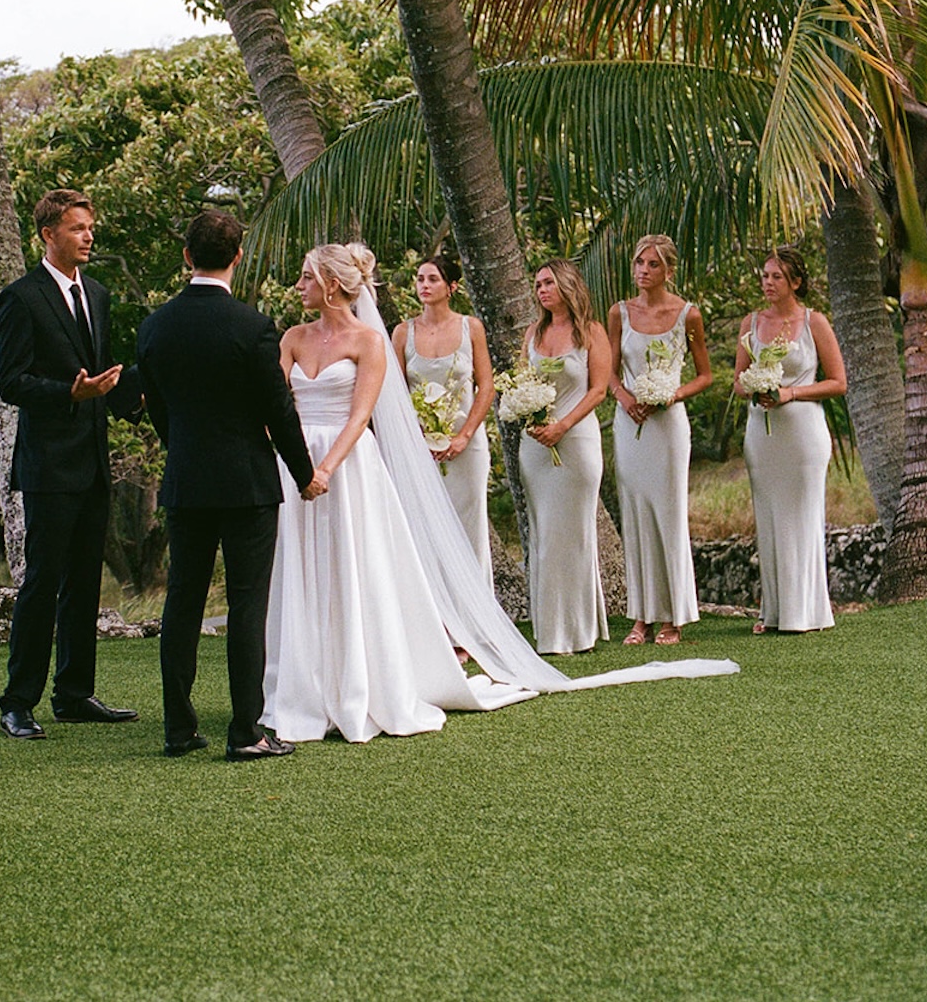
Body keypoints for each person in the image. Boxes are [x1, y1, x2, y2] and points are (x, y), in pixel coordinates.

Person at [268, 245, 742, 740]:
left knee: (371, 561)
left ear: (333, 283)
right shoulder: (299, 338)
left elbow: (368, 413)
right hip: (299, 463)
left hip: (360, 465)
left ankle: (386, 673)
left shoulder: (375, 340)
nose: (298, 286)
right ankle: (308, 681)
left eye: (306, 278)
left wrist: (327, 465)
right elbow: (276, 404)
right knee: (305, 568)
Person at [136, 209, 317, 761]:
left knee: (182, 605)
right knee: (246, 605)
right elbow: (278, 411)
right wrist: (306, 474)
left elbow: (158, 410)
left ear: (187, 257)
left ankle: (178, 728)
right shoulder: (253, 326)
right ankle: (246, 732)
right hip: (247, 484)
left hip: (187, 481)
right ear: (237, 256)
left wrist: (182, 450)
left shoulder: (155, 326)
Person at [0, 190, 142, 740]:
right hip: (49, 465)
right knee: (43, 582)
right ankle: (17, 701)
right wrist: (68, 394)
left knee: (84, 581)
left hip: (94, 461)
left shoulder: (97, 294)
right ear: (48, 234)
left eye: (90, 228)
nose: (89, 237)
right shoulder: (21, 298)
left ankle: (75, 693)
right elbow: (10, 381)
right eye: (78, 228)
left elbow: (102, 371)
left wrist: (133, 400)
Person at [607, 235, 713, 646]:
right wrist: (625, 398)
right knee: (634, 516)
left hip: (668, 426)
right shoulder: (619, 313)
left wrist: (671, 395)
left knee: (669, 514)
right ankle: (642, 617)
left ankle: (673, 616)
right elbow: (609, 371)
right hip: (629, 422)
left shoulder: (689, 315)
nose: (643, 271)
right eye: (638, 263)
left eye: (652, 264)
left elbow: (705, 375)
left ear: (668, 270)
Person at [736, 246, 848, 634]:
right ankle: (775, 611)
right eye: (765, 275)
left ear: (795, 282)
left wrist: (790, 393)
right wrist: (755, 385)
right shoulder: (750, 323)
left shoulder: (815, 323)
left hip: (802, 434)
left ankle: (807, 612)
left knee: (801, 516)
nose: (767, 282)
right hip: (762, 435)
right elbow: (737, 380)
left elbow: (838, 382)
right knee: (768, 517)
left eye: (776, 277)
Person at [518, 259, 613, 655]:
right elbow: (522, 383)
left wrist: (563, 425)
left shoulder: (590, 331)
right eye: (537, 284)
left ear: (568, 285)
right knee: (545, 536)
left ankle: (579, 631)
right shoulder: (533, 333)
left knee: (573, 534)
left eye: (548, 283)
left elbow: (598, 390)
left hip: (577, 443)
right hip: (536, 448)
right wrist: (529, 416)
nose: (541, 290)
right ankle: (549, 630)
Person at [393, 255, 495, 578]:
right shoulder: (402, 333)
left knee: (470, 524)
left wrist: (464, 435)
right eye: (420, 279)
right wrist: (416, 437)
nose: (424, 285)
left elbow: (486, 387)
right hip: (420, 447)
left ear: (451, 286)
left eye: (432, 279)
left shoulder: (471, 328)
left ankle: (477, 614)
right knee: (425, 526)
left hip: (467, 444)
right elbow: (395, 395)